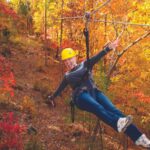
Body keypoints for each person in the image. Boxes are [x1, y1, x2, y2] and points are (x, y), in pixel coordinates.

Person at [46, 39, 150, 148]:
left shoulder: (85, 64)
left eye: (70, 58)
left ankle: (139, 138)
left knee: (115, 111)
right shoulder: (67, 76)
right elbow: (59, 89)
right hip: (80, 97)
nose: (69, 62)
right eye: (66, 61)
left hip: (94, 92)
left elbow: (97, 57)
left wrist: (108, 48)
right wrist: (51, 98)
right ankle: (117, 123)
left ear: (75, 58)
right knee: (98, 107)